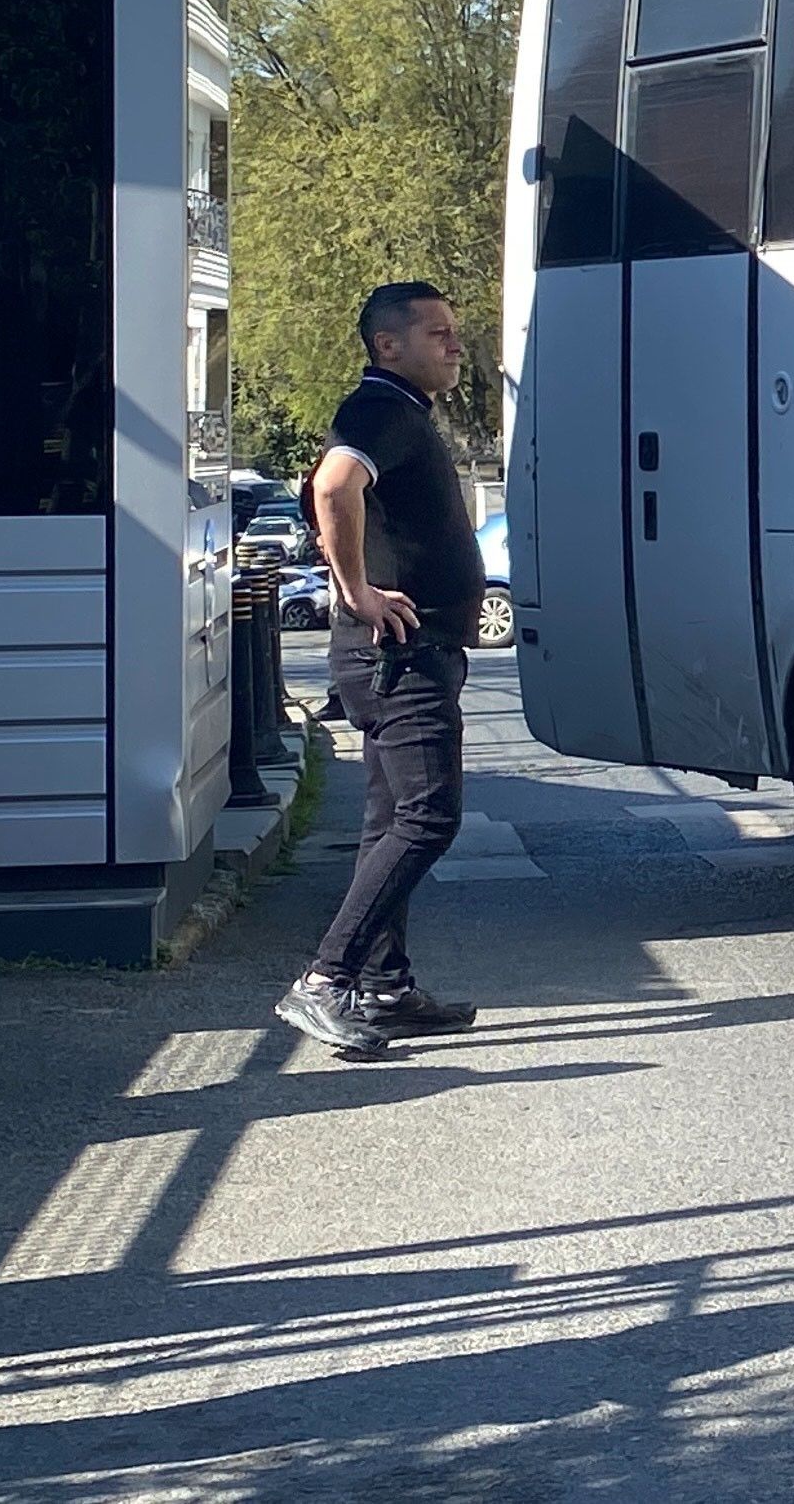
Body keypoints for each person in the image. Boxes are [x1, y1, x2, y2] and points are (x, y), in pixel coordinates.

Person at [275, 284, 494, 1062]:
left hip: (405, 653)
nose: (456, 345)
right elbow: (331, 486)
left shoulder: (401, 414)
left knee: (387, 821)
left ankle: (384, 987)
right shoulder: (377, 409)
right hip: (400, 655)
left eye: (455, 332)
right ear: (389, 345)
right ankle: (328, 978)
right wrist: (355, 590)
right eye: (439, 333)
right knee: (430, 816)